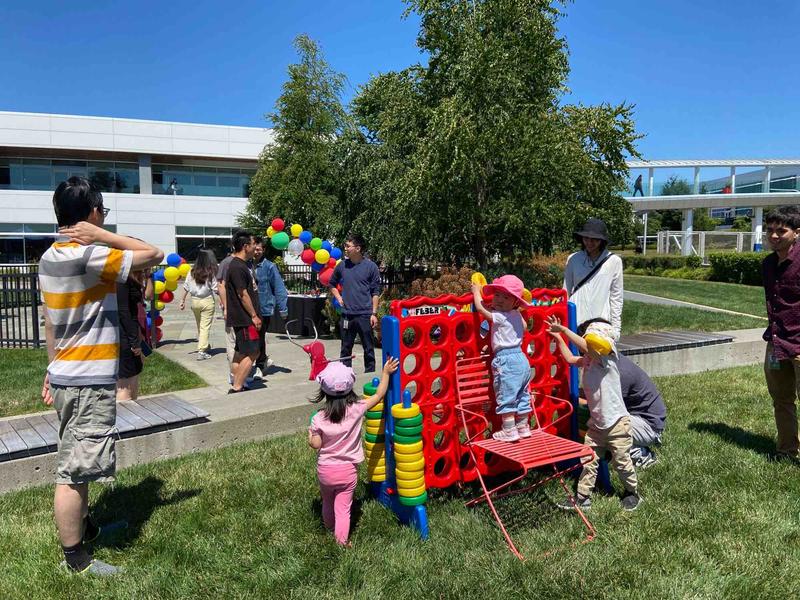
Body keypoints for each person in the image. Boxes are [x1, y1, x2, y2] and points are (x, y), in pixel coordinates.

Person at [40, 176, 163, 575]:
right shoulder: (89, 255)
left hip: (65, 373)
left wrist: (50, 367)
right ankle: (75, 560)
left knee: (78, 457)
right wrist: (102, 235)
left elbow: (51, 323)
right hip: (86, 379)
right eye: (101, 212)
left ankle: (86, 530)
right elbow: (154, 253)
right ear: (91, 213)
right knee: (73, 470)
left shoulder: (49, 257)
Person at [547, 317, 641, 511]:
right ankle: (583, 497)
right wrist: (558, 338)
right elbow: (570, 359)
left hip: (617, 424)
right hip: (597, 425)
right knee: (588, 460)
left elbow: (589, 347)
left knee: (621, 462)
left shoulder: (607, 359)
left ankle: (632, 493)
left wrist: (564, 329)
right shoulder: (589, 360)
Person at [308, 357, 399, 546]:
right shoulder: (357, 409)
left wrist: (312, 432)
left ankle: (329, 526)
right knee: (343, 508)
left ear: (324, 391)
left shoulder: (318, 418)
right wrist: (385, 373)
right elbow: (379, 394)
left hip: (325, 470)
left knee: (327, 500)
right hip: (347, 471)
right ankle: (342, 541)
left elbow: (315, 444)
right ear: (350, 387)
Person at [578, 318, 666, 468]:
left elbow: (602, 405)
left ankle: (641, 454)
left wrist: (574, 398)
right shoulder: (606, 361)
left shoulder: (618, 372)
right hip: (635, 418)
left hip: (648, 426)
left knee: (606, 426)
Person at [471, 275, 532, 442]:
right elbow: (525, 328)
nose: (499, 300)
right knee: (522, 394)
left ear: (515, 302)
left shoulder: (499, 315)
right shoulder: (517, 315)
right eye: (497, 295)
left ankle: (509, 430)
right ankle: (523, 426)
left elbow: (481, 309)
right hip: (521, 359)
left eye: (506, 297)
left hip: (506, 360)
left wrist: (476, 292)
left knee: (506, 394)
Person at [761, 206, 800, 460]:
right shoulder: (768, 264)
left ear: (796, 233)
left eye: (781, 231)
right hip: (776, 342)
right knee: (781, 400)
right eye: (770, 230)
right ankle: (787, 450)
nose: (774, 236)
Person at [328, 234, 382, 373]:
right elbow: (332, 284)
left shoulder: (371, 267)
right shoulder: (342, 266)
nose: (345, 248)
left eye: (348, 246)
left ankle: (369, 375)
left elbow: (375, 292)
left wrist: (374, 313)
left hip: (365, 314)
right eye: (345, 246)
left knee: (368, 348)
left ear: (358, 248)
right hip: (347, 315)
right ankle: (345, 375)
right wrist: (339, 298)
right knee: (345, 347)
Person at [563, 218, 624, 340]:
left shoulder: (614, 261)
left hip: (600, 323)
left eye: (594, 239)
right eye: (586, 238)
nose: (589, 242)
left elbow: (616, 297)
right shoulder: (573, 259)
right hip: (576, 318)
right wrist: (564, 320)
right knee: (576, 357)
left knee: (598, 357)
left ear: (602, 240)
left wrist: (616, 328)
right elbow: (565, 291)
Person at [224, 230, 261, 393]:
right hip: (245, 318)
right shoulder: (237, 266)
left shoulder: (240, 265)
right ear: (245, 247)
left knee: (240, 352)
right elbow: (242, 293)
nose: (256, 248)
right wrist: (254, 315)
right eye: (253, 245)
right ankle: (237, 385)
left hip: (241, 317)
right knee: (254, 352)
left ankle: (236, 379)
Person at [253, 239, 289, 379]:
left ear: (264, 250)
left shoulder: (269, 266)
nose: (256, 251)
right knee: (253, 338)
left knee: (259, 337)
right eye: (254, 248)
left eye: (259, 249)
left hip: (264, 308)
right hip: (249, 307)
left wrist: (283, 308)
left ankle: (260, 365)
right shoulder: (246, 264)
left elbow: (279, 288)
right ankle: (263, 359)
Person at [117, 269, 152, 400]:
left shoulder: (128, 278)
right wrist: (134, 342)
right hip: (124, 336)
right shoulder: (122, 279)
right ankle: (125, 417)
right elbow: (125, 312)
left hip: (129, 333)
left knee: (133, 378)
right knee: (125, 386)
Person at [179, 249, 219, 360]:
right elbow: (216, 288)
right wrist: (224, 299)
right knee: (205, 326)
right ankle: (202, 351)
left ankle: (204, 345)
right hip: (207, 300)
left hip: (194, 301)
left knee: (200, 325)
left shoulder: (192, 271)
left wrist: (182, 301)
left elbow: (186, 286)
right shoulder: (210, 272)